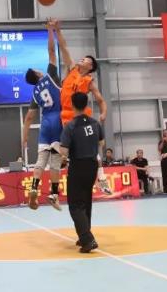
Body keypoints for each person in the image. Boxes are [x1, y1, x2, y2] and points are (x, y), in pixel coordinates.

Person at [51, 19, 111, 194]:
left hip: (82, 117)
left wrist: (104, 113)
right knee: (70, 151)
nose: (81, 59)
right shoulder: (72, 69)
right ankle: (64, 179)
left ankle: (102, 179)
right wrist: (57, 30)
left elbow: (101, 100)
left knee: (92, 149)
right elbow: (64, 48)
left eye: (84, 59)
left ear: (90, 66)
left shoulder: (89, 81)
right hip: (66, 116)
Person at [22, 22, 63, 211]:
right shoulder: (50, 76)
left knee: (41, 161)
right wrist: (50, 30)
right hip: (58, 120)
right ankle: (53, 194)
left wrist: (24, 138)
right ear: (37, 73)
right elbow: (52, 52)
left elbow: (29, 118)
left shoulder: (34, 93)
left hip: (45, 124)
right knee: (55, 162)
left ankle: (33, 188)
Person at [59, 93, 105, 253]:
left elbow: (64, 152)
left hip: (78, 166)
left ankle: (88, 239)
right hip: (92, 165)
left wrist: (61, 157)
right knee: (86, 201)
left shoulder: (70, 126)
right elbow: (101, 143)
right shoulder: (95, 123)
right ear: (86, 105)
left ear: (72, 105)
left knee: (75, 205)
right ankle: (84, 234)